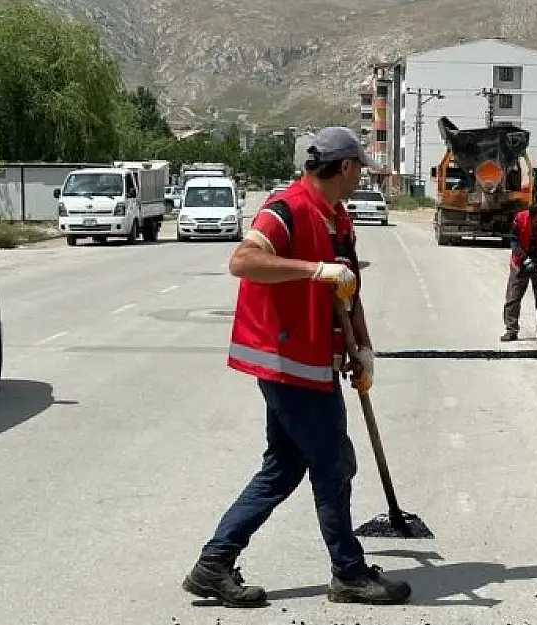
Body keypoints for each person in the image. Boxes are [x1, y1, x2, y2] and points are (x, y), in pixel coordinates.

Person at [181, 126, 412, 608]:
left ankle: (213, 565)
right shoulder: (286, 209)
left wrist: (363, 349)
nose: (360, 181)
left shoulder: (338, 218)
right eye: (358, 172)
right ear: (344, 167)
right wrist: (314, 270)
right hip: (287, 360)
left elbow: (348, 291)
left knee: (284, 467)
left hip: (315, 360)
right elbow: (243, 261)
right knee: (334, 463)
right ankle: (348, 573)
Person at [501, 193, 537, 343]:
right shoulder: (520, 220)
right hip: (520, 263)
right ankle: (511, 330)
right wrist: (524, 259)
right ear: (530, 216)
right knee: (513, 298)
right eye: (536, 221)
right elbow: (514, 242)